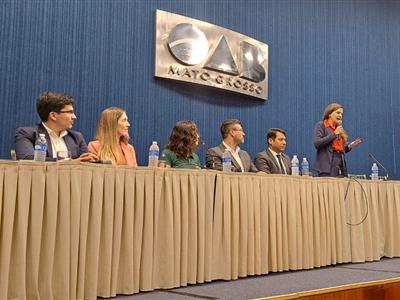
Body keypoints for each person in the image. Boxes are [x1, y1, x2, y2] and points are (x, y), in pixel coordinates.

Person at [15, 91, 97, 161]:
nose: (74, 117)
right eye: (69, 112)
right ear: (53, 115)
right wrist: (70, 162)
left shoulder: (77, 137)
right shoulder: (27, 134)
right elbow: (26, 159)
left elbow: (85, 162)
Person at [313, 103, 362, 177]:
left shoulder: (338, 129)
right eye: (338, 113)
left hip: (340, 165)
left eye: (342, 114)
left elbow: (340, 148)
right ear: (329, 114)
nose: (340, 115)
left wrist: (349, 146)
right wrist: (334, 134)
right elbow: (317, 143)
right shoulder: (321, 125)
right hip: (327, 166)